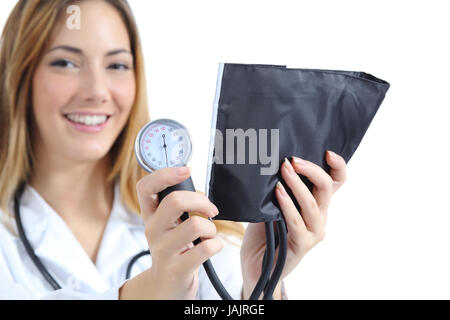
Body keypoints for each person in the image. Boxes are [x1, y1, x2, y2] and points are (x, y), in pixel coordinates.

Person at [0, 0, 347, 300]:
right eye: (65, 62)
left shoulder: (203, 230)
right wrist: (152, 289)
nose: (96, 90)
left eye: (117, 65)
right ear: (19, 74)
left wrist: (262, 285)